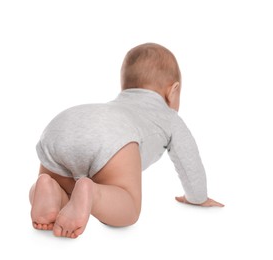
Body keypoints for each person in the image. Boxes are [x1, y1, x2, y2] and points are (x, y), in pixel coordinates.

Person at [29, 43, 224, 239]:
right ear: (173, 91)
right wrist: (197, 198)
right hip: (116, 134)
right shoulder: (169, 117)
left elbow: (92, 131)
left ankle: (48, 187)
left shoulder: (116, 107)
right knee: (128, 208)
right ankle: (91, 193)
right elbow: (189, 161)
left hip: (64, 122)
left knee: (64, 188)